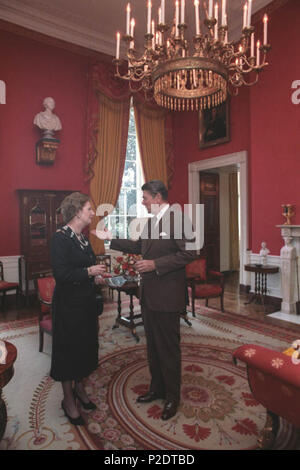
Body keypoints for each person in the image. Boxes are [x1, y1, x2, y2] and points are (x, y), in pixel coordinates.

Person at [95, 180, 198, 420]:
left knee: (169, 348)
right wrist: (111, 238)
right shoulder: (152, 221)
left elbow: (190, 253)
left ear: (158, 197)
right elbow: (140, 245)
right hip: (150, 295)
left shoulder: (179, 218)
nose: (142, 202)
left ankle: (173, 397)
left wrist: (155, 264)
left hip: (168, 296)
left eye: (145, 198)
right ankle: (157, 388)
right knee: (153, 346)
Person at [50, 192, 106, 425]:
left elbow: (87, 266)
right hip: (68, 306)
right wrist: (89, 272)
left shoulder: (83, 238)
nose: (93, 213)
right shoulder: (60, 238)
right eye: (89, 209)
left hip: (86, 303)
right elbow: (61, 275)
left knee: (85, 348)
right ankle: (68, 400)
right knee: (69, 352)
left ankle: (80, 391)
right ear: (76, 212)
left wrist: (96, 277)